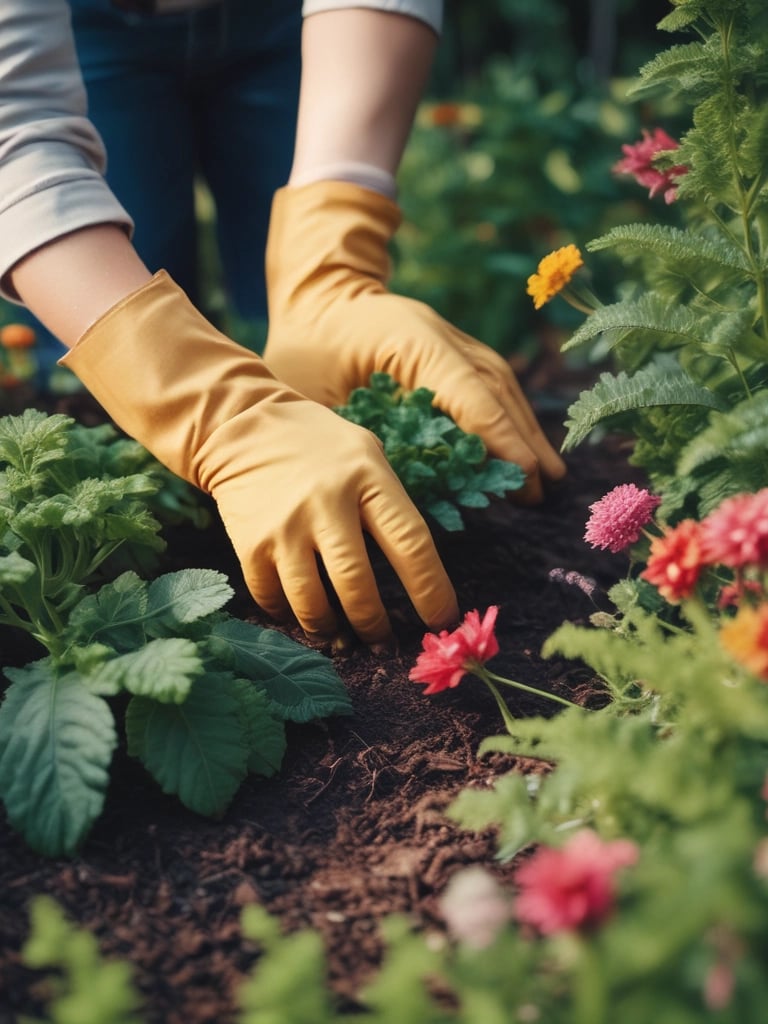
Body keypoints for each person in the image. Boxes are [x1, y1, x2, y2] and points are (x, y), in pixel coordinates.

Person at [0, 0, 566, 651]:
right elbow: (11, 134)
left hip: (291, 16)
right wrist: (217, 415)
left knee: (302, 337)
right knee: (104, 345)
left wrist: (332, 268)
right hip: (80, 27)